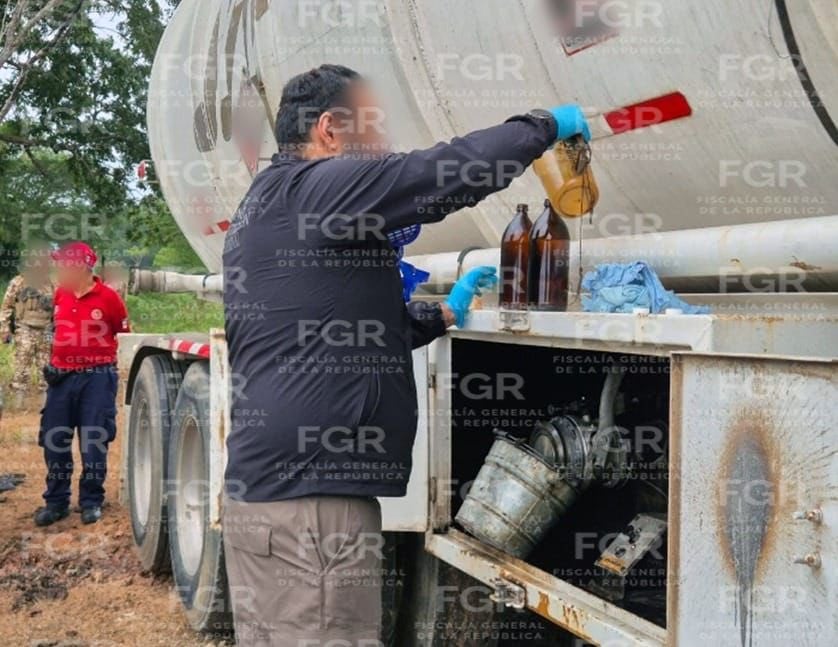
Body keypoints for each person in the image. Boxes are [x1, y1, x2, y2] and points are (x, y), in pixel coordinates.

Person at [222, 64, 591, 645]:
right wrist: (542, 126)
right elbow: (436, 175)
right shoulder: (316, 189)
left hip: (282, 500)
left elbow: (330, 330)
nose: (387, 146)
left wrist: (441, 313)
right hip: (310, 512)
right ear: (330, 131)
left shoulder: (271, 203)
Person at [34, 242, 130, 527]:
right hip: (61, 379)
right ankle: (56, 501)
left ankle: (91, 501)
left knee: (94, 441)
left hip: (97, 379)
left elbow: (123, 336)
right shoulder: (60, 294)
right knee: (55, 441)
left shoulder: (109, 298)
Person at [0, 245, 54, 410]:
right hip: (25, 328)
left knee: (45, 368)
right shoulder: (19, 282)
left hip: (46, 329)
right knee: (21, 368)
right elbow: (6, 307)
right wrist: (4, 329)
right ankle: (18, 406)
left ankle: (45, 406)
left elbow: (60, 308)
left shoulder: (53, 284)